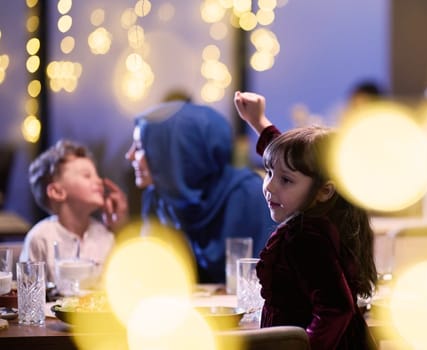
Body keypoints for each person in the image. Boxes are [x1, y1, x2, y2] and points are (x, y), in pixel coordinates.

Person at [234, 91, 377, 349]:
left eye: (285, 180)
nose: (270, 187)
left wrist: (306, 347)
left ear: (325, 190)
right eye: (269, 173)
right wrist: (259, 122)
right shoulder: (328, 212)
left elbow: (336, 308)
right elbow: (296, 162)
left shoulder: (304, 236)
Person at [125, 100, 274, 284]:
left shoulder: (248, 196)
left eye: (140, 147)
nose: (129, 155)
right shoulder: (158, 198)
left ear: (178, 151)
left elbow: (270, 284)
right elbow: (149, 278)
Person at [21, 139, 127, 283]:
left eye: (96, 175)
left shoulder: (106, 237)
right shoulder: (40, 239)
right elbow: (28, 292)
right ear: (57, 192)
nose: (99, 181)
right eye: (87, 175)